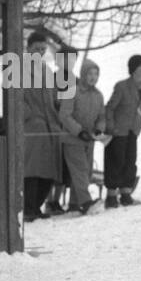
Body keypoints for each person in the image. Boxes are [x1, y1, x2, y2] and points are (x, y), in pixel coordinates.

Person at [22, 30, 69, 219]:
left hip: (51, 126)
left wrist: (60, 105)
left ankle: (37, 206)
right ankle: (28, 209)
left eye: (43, 49)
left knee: (49, 171)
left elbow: (53, 97)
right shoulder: (19, 69)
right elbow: (15, 97)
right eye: (36, 48)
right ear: (28, 48)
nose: (40, 52)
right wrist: (28, 115)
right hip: (32, 126)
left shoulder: (47, 70)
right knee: (32, 171)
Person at [104, 53, 141, 207]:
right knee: (116, 161)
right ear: (133, 68)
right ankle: (111, 196)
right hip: (118, 129)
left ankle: (126, 193)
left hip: (133, 129)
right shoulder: (121, 86)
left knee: (130, 160)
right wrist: (110, 126)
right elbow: (110, 108)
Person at [59, 58, 106, 213]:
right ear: (83, 74)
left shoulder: (98, 95)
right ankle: (86, 203)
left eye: (96, 74)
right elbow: (65, 115)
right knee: (80, 170)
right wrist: (79, 131)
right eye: (90, 73)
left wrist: (99, 129)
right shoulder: (72, 91)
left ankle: (74, 203)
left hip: (89, 140)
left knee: (84, 171)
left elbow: (101, 116)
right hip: (72, 139)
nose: (93, 77)